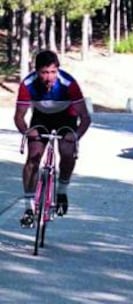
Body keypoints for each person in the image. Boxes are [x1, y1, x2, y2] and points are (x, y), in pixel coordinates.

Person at [14, 50, 91, 227]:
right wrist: (27, 132)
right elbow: (19, 117)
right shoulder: (28, 84)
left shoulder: (69, 84)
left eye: (53, 72)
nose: (49, 77)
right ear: (36, 71)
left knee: (67, 151)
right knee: (33, 157)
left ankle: (62, 190)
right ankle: (28, 207)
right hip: (41, 117)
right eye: (44, 72)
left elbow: (85, 118)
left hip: (67, 116)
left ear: (58, 70)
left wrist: (76, 135)